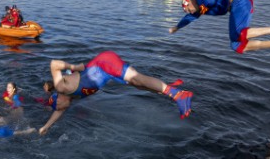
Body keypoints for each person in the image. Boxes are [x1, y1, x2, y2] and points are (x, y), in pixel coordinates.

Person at [39, 50, 193, 135]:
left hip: (105, 63)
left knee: (137, 79)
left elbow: (54, 64)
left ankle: (177, 94)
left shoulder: (61, 87)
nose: (61, 108)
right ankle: (164, 89)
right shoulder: (68, 100)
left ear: (58, 98)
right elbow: (57, 113)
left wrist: (75, 67)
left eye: (58, 106)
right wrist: (45, 127)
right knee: (138, 85)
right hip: (107, 73)